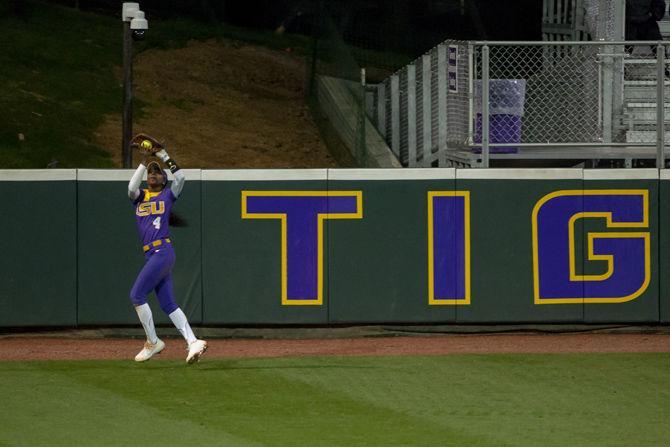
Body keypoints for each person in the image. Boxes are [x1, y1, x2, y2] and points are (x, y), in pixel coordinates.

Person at [127, 140, 207, 364]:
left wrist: (161, 154)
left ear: (163, 179)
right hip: (152, 255)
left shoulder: (167, 196)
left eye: (157, 172)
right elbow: (131, 189)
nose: (153, 174)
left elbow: (180, 178)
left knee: (136, 295)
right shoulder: (140, 197)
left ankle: (153, 342)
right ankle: (193, 342)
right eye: (150, 173)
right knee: (168, 303)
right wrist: (144, 161)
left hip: (162, 251)